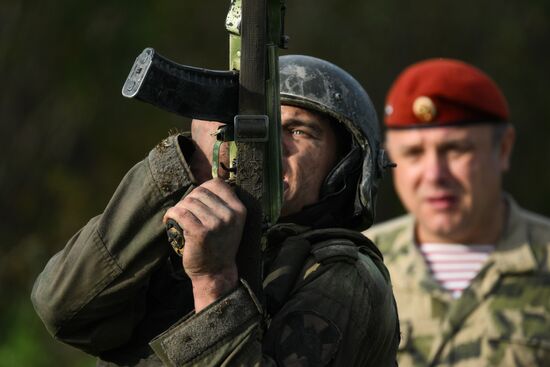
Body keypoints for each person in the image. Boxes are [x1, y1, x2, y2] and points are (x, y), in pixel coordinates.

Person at [32, 55, 400, 366]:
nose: (272, 145)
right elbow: (64, 309)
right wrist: (194, 165)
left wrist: (213, 283)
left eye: (299, 131)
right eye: (262, 129)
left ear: (344, 169)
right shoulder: (194, 233)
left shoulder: (345, 274)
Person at [364, 58, 550, 366]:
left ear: (502, 149)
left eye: (456, 150)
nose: (435, 174)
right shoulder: (358, 265)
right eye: (413, 153)